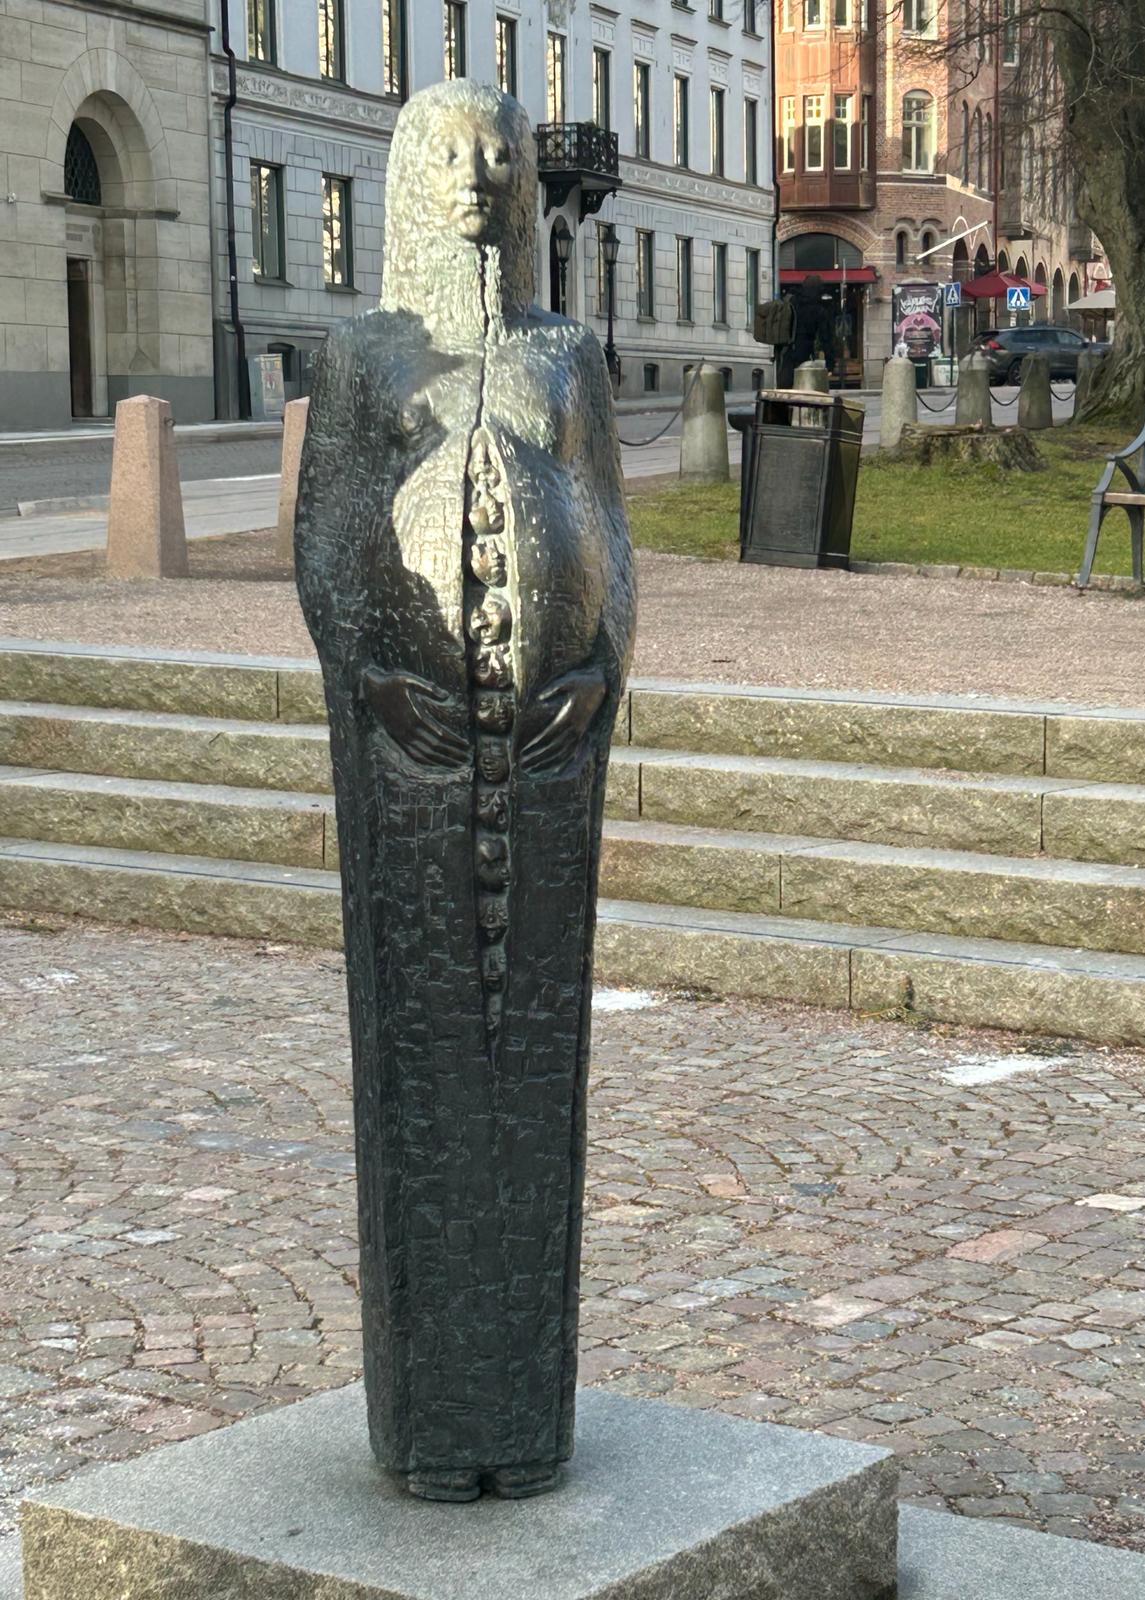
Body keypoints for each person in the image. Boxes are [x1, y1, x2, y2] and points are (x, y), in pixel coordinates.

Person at [294, 79, 635, 1502]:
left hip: (549, 747)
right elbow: (325, 542)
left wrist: (599, 663)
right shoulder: (369, 356)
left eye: (499, 154)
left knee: (534, 1053)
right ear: (404, 177)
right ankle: (437, 1428)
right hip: (414, 737)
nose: (482, 175)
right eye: (452, 152)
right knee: (425, 1040)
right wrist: (372, 674)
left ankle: (523, 1423)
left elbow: (607, 525)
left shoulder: (566, 349)